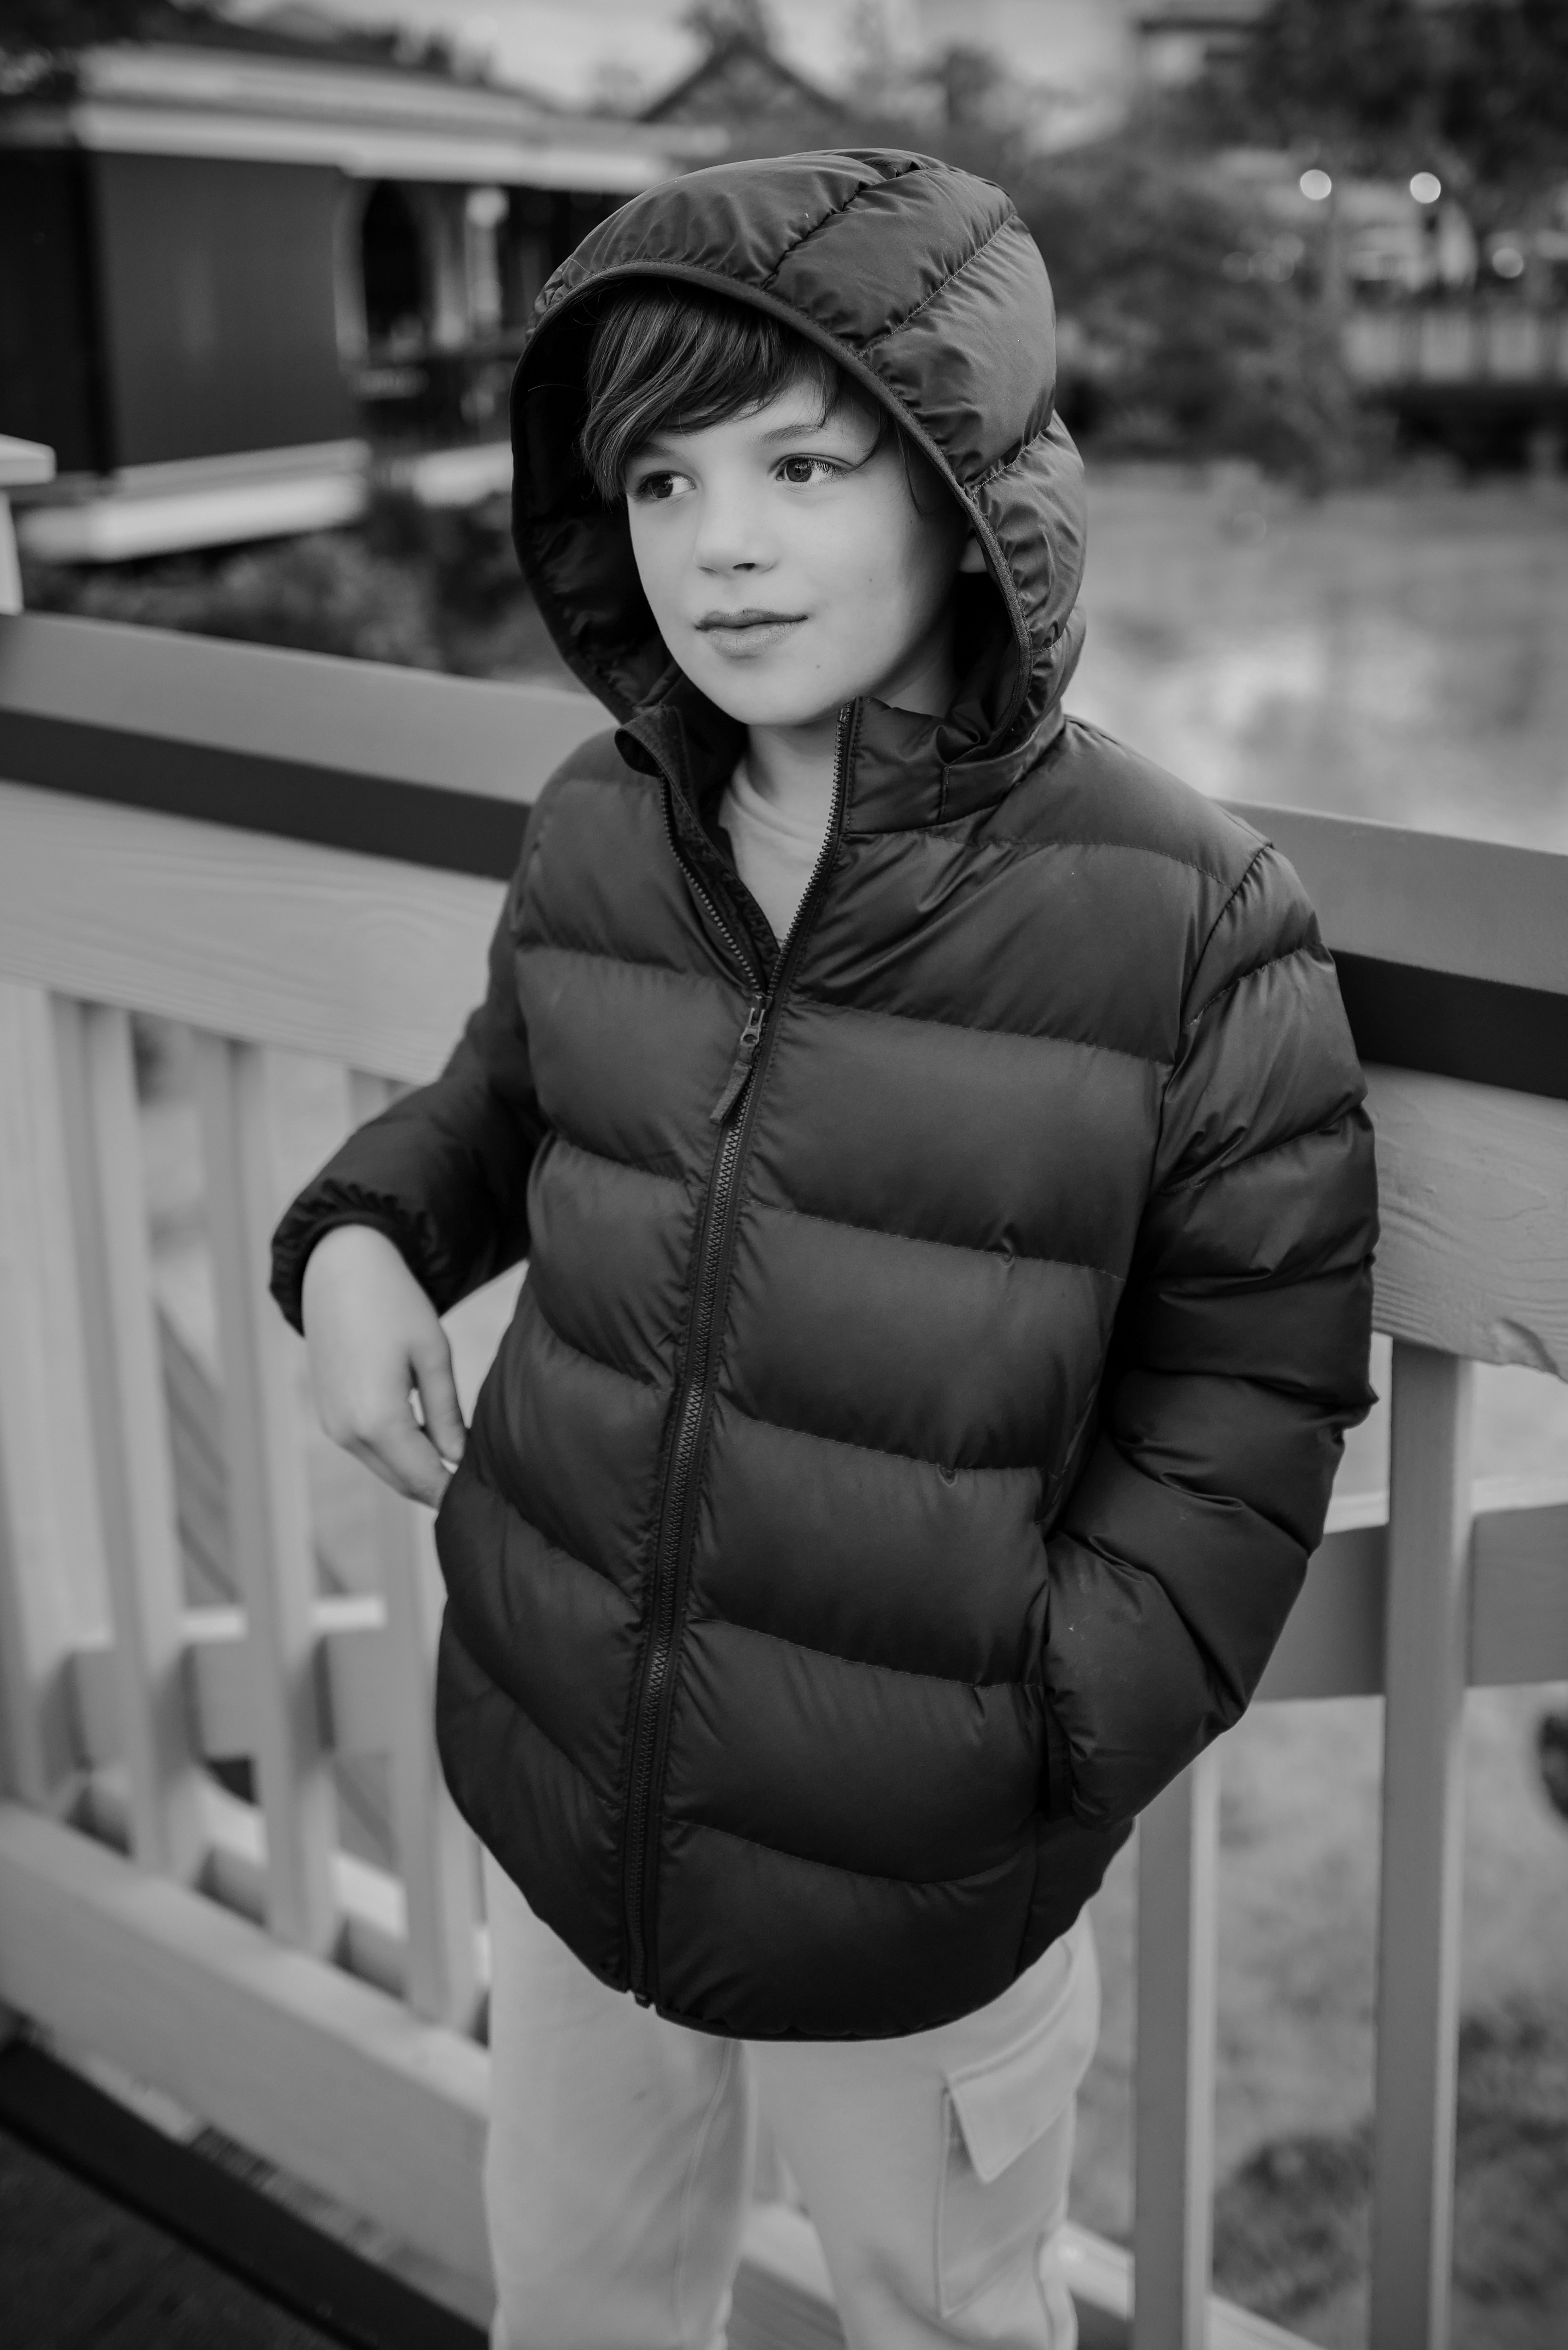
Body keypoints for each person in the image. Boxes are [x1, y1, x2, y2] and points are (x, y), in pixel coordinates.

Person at [272, 151, 1377, 2350]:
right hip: (558, 1769)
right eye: (664, 482)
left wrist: (1037, 1719)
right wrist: (363, 1240)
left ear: (967, 485)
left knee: (941, 2313)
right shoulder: (608, 817)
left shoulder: (1181, 912)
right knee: (578, 2295)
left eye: (801, 461)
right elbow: (502, 1099)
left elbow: (1250, 1402)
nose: (727, 545)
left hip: (918, 1857)